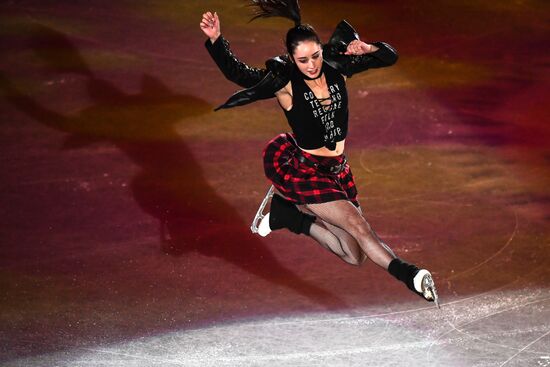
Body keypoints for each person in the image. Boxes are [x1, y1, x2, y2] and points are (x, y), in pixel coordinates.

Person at [200, 0, 439, 307]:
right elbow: (239, 74)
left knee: (354, 256)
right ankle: (412, 275)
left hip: (339, 169)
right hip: (307, 170)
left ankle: (291, 217)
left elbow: (389, 57)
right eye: (302, 60)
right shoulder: (285, 83)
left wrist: (367, 49)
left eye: (315, 55)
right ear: (291, 59)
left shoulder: (337, 67)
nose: (311, 65)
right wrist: (217, 41)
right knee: (358, 227)